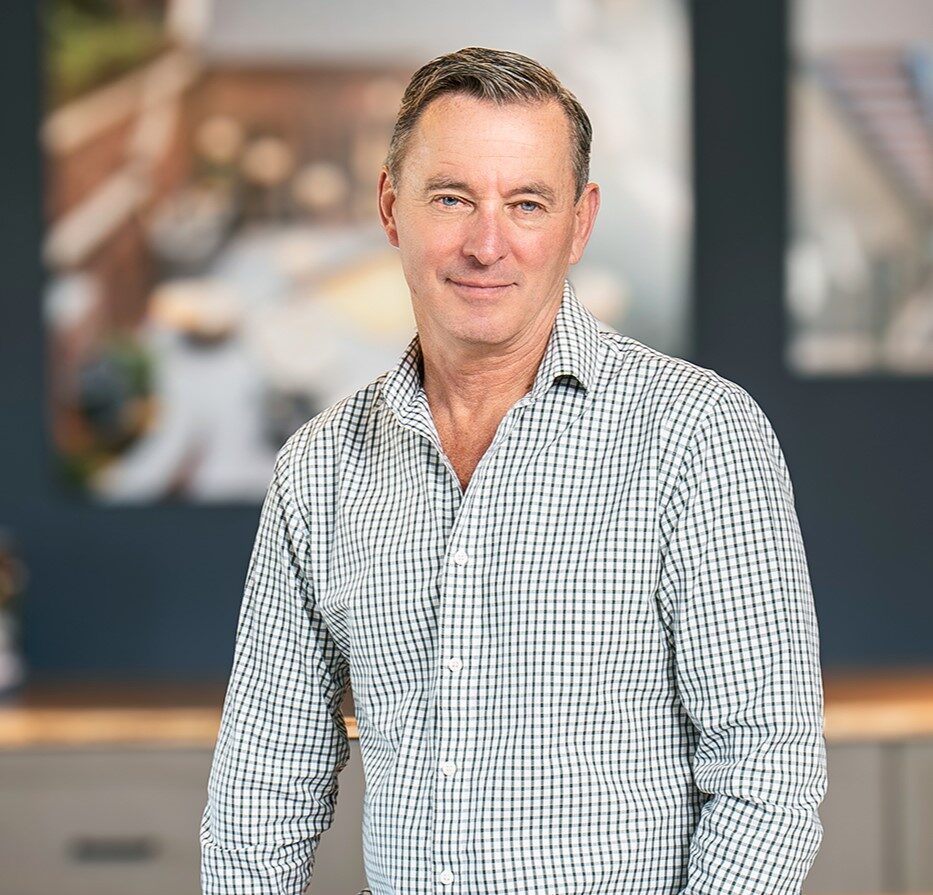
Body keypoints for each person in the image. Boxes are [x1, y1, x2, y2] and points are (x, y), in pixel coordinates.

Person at [200, 46, 827, 895]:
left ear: (578, 224)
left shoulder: (697, 435)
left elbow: (768, 771)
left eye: (526, 203)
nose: (485, 243)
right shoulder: (320, 468)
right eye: (451, 197)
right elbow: (262, 784)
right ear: (392, 209)